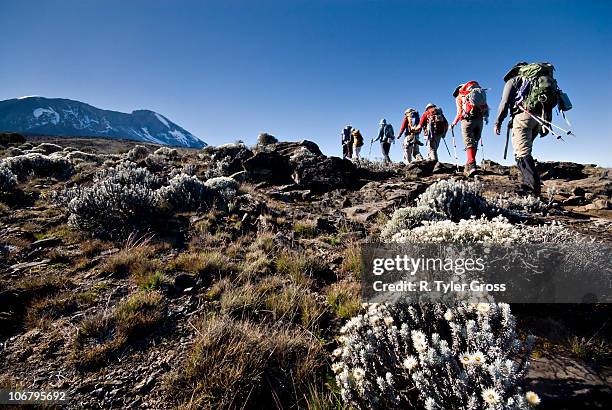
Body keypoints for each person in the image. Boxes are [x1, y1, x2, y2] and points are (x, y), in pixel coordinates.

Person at [494, 62, 546, 196]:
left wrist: (498, 122)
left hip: (523, 117)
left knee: (522, 154)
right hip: (539, 118)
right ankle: (533, 186)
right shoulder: (536, 80)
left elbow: (504, 103)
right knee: (526, 150)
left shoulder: (514, 80)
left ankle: (533, 192)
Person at [451, 81, 489, 176]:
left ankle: (471, 165)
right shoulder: (477, 93)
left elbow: (459, 112)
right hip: (479, 120)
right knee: (475, 141)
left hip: (467, 120)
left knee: (469, 142)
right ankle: (470, 163)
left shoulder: (460, 97)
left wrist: (453, 123)